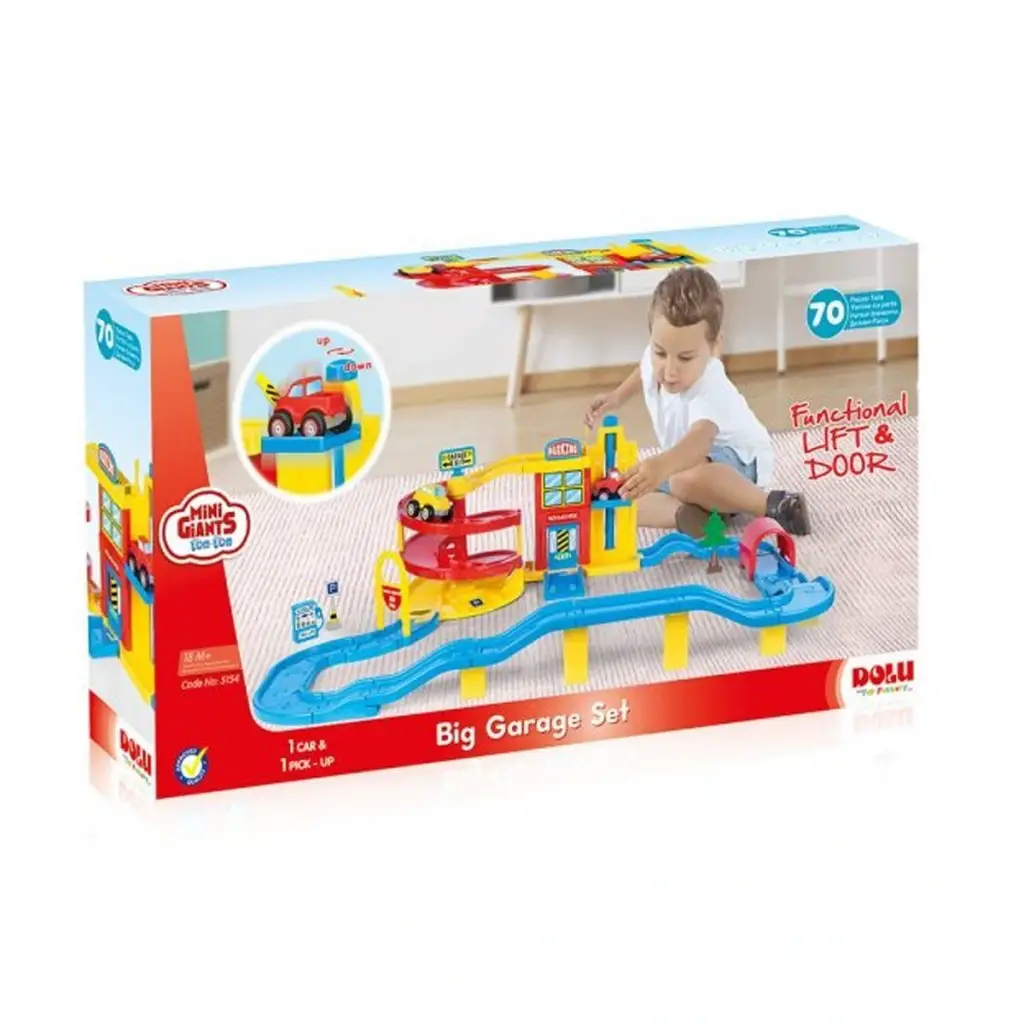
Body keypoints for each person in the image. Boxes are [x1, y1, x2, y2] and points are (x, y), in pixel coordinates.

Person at [584, 265, 810, 535]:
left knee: (682, 480)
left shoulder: (710, 382)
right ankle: (692, 515)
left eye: (685, 358)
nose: (669, 370)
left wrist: (661, 466)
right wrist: (616, 397)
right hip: (685, 463)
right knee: (622, 493)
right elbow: (643, 369)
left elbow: (699, 441)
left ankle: (775, 505)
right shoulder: (658, 354)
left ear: (714, 346)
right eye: (660, 353)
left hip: (737, 462)